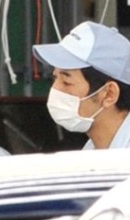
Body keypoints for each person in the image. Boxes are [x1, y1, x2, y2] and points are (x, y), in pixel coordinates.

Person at [33, 21, 130, 149]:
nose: (55, 89)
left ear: (109, 94)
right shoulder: (92, 149)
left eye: (67, 82)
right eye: (55, 78)